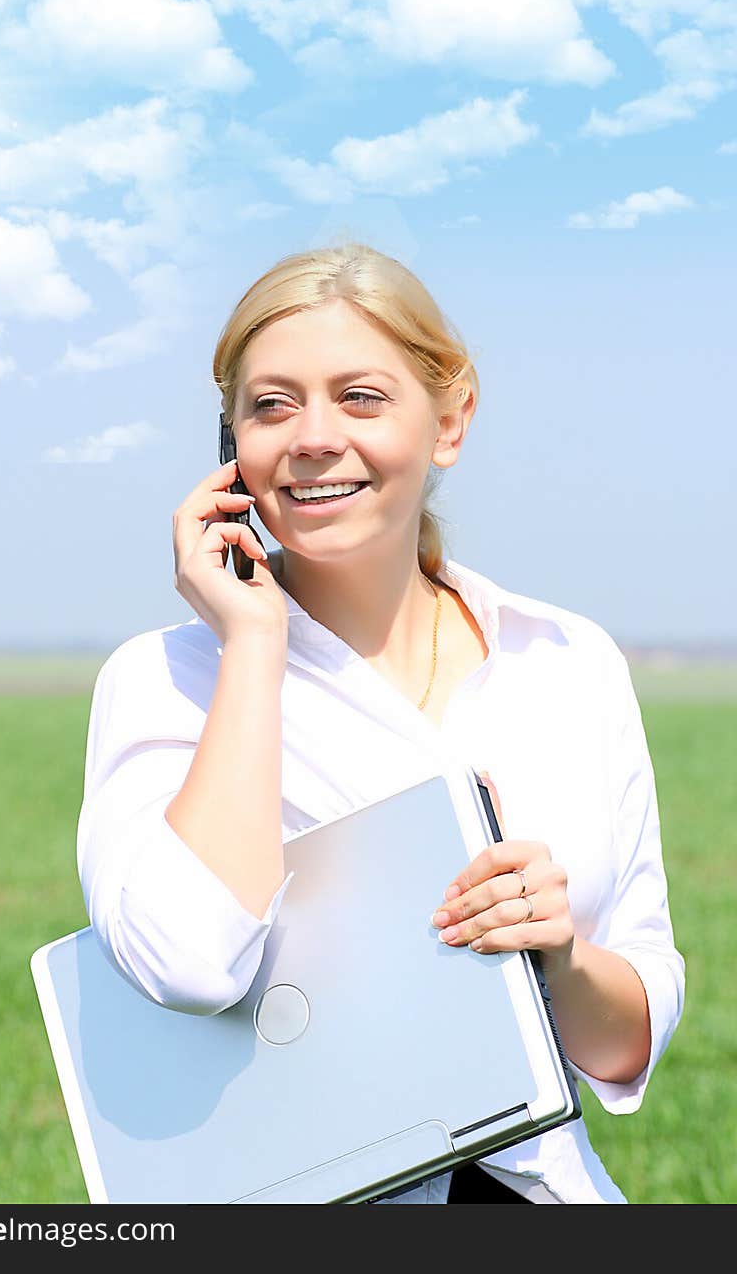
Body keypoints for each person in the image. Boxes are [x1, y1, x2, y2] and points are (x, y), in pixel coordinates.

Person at [76, 242, 685, 1204]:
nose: (314, 436)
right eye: (272, 404)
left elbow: (629, 1039)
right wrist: (253, 645)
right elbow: (188, 961)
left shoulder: (569, 664)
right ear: (229, 442)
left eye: (360, 397)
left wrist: (557, 957)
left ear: (449, 421)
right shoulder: (166, 680)